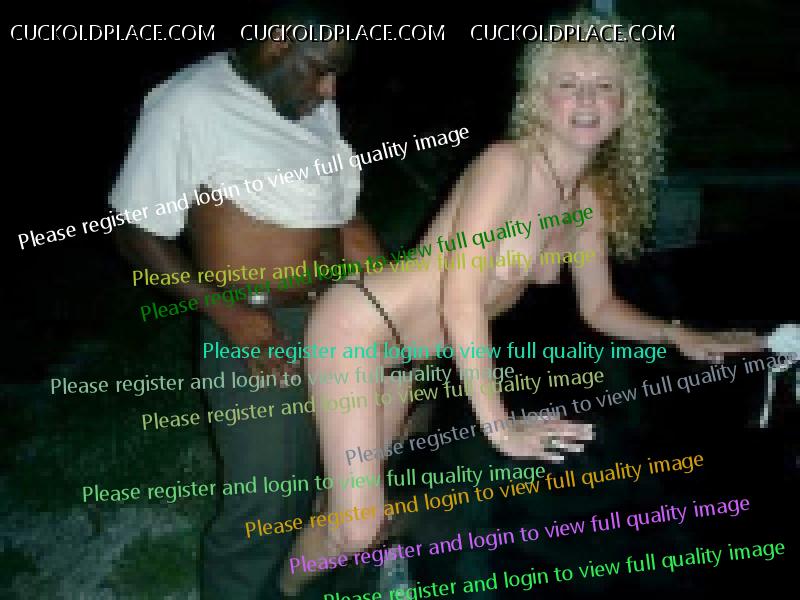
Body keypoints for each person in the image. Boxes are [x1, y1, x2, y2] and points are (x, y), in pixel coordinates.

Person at [280, 9, 762, 595]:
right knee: (356, 527)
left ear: (627, 105)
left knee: (353, 505)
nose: (586, 100)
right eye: (569, 84)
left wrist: (675, 332)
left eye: (604, 85)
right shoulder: (506, 165)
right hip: (359, 330)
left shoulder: (586, 199)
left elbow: (600, 307)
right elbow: (461, 300)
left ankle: (320, 566)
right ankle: (280, 591)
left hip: (406, 360)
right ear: (539, 97)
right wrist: (500, 426)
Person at [108, 7, 382, 599]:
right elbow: (135, 228)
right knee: (264, 498)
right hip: (257, 328)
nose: (330, 90)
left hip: (335, 314)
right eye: (321, 70)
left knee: (332, 477)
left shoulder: (308, 104)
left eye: (336, 75)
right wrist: (227, 315)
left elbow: (345, 218)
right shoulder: (190, 103)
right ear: (277, 44)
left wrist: (386, 304)